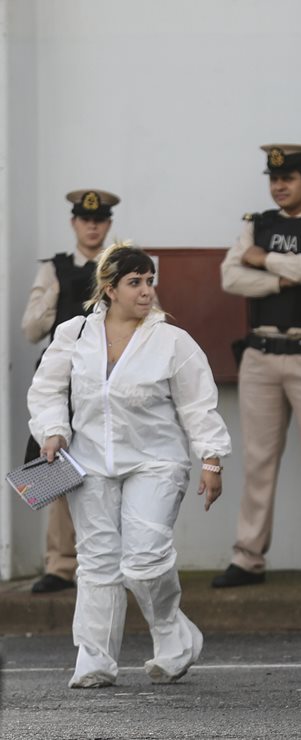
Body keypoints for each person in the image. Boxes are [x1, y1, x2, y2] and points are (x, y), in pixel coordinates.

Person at [27, 242, 231, 688]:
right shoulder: (74, 334)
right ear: (109, 289)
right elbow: (45, 390)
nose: (145, 291)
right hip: (89, 462)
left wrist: (211, 459)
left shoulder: (170, 341)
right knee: (97, 562)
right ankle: (94, 659)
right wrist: (53, 430)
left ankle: (174, 638)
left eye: (149, 281)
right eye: (134, 282)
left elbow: (198, 403)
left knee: (143, 559)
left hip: (156, 462)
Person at [214, 143, 301, 588]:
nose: (279, 187)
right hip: (261, 354)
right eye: (274, 179)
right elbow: (230, 276)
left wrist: (264, 259)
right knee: (257, 461)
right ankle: (248, 556)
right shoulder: (258, 224)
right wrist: (283, 277)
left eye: (288, 179)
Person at [20, 189, 120, 594]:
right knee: (55, 463)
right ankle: (60, 564)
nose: (91, 226)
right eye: (84, 219)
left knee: (110, 468)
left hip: (108, 382)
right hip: (62, 380)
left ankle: (106, 562)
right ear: (74, 223)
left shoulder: (122, 266)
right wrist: (60, 291)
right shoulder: (54, 269)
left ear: (108, 224)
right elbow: (31, 329)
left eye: (98, 220)